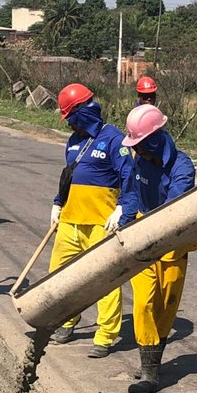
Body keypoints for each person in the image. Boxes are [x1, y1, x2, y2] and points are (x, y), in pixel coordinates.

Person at [107, 102, 196, 393]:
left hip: (173, 242)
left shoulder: (182, 167)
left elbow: (173, 207)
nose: (138, 150)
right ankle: (149, 373)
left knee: (165, 306)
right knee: (144, 303)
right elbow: (132, 192)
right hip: (143, 238)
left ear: (155, 139)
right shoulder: (139, 159)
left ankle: (153, 360)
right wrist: (124, 222)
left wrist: (157, 229)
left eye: (141, 144)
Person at [47, 83, 126, 357]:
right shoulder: (73, 142)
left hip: (101, 224)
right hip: (70, 221)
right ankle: (67, 321)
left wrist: (123, 208)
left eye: (70, 117)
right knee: (61, 276)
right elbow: (69, 176)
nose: (68, 123)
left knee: (105, 279)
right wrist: (58, 203)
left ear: (83, 112)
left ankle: (105, 335)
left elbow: (128, 177)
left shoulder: (114, 140)